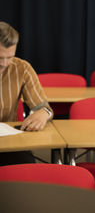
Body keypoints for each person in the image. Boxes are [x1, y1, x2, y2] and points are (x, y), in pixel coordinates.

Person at [0, 21, 53, 165]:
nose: (4, 64)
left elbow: (44, 107)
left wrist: (43, 113)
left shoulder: (22, 68)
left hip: (8, 142)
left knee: (28, 171)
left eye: (9, 57)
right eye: (0, 58)